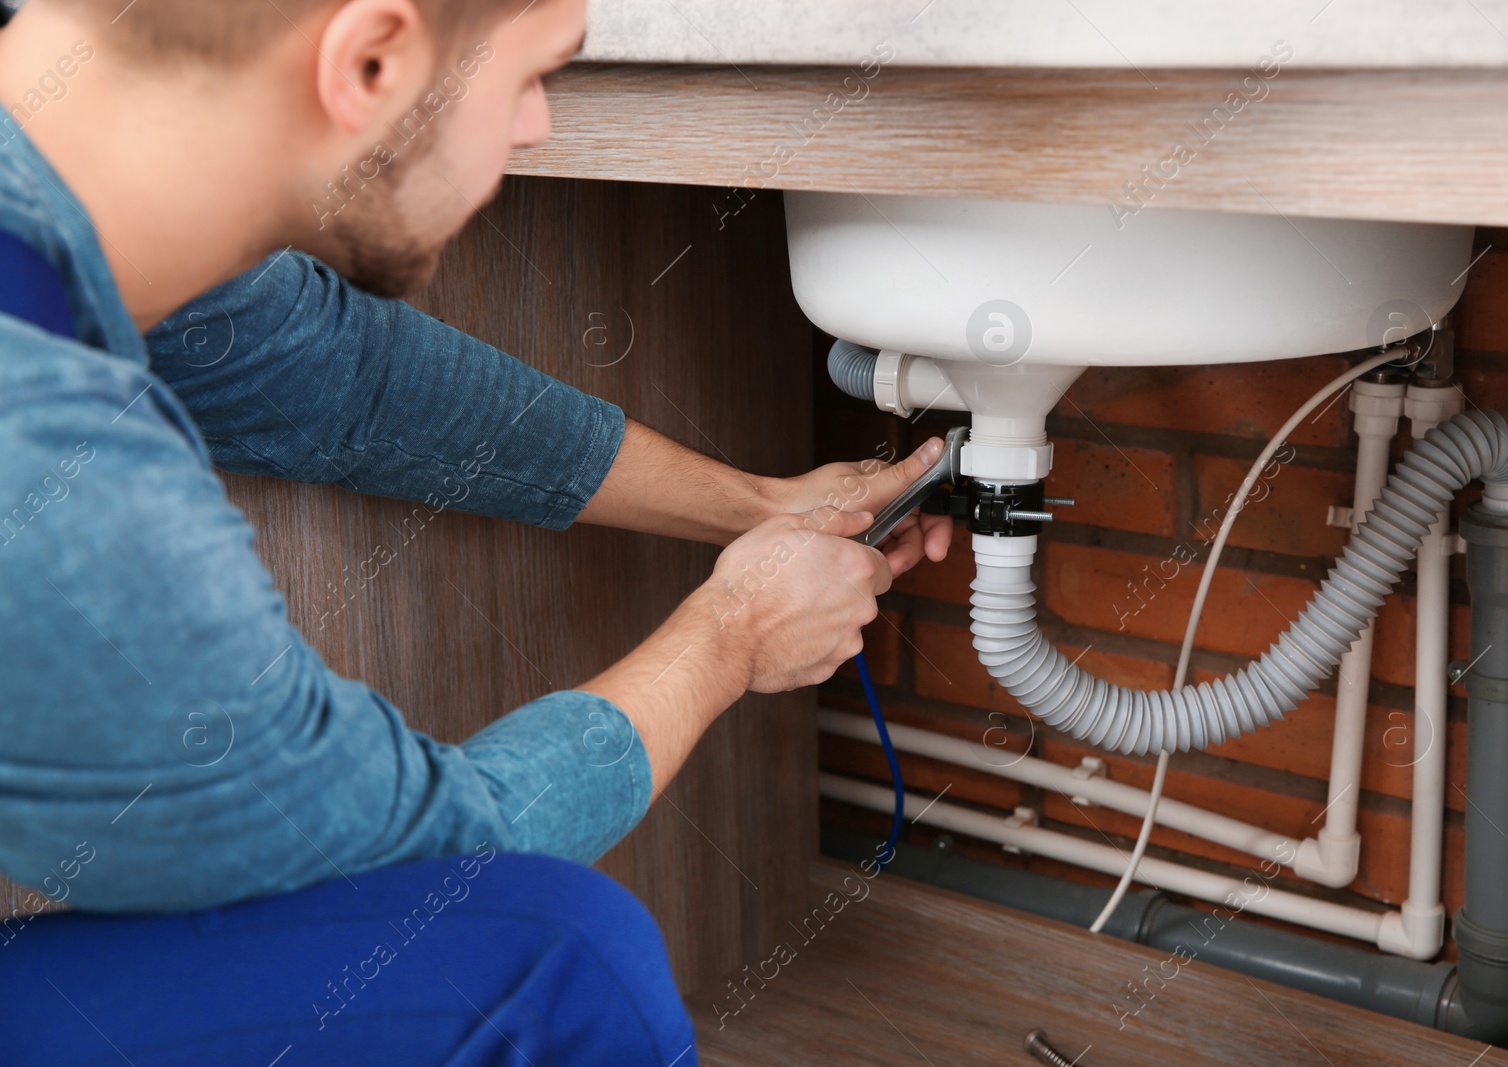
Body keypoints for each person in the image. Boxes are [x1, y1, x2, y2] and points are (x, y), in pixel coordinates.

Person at [0, 0, 952, 1062]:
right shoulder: (48, 457)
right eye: (536, 71)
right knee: (555, 964)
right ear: (369, 56)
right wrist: (735, 630)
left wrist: (756, 504)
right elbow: (425, 866)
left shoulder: (51, 183)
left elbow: (339, 376)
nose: (538, 122)